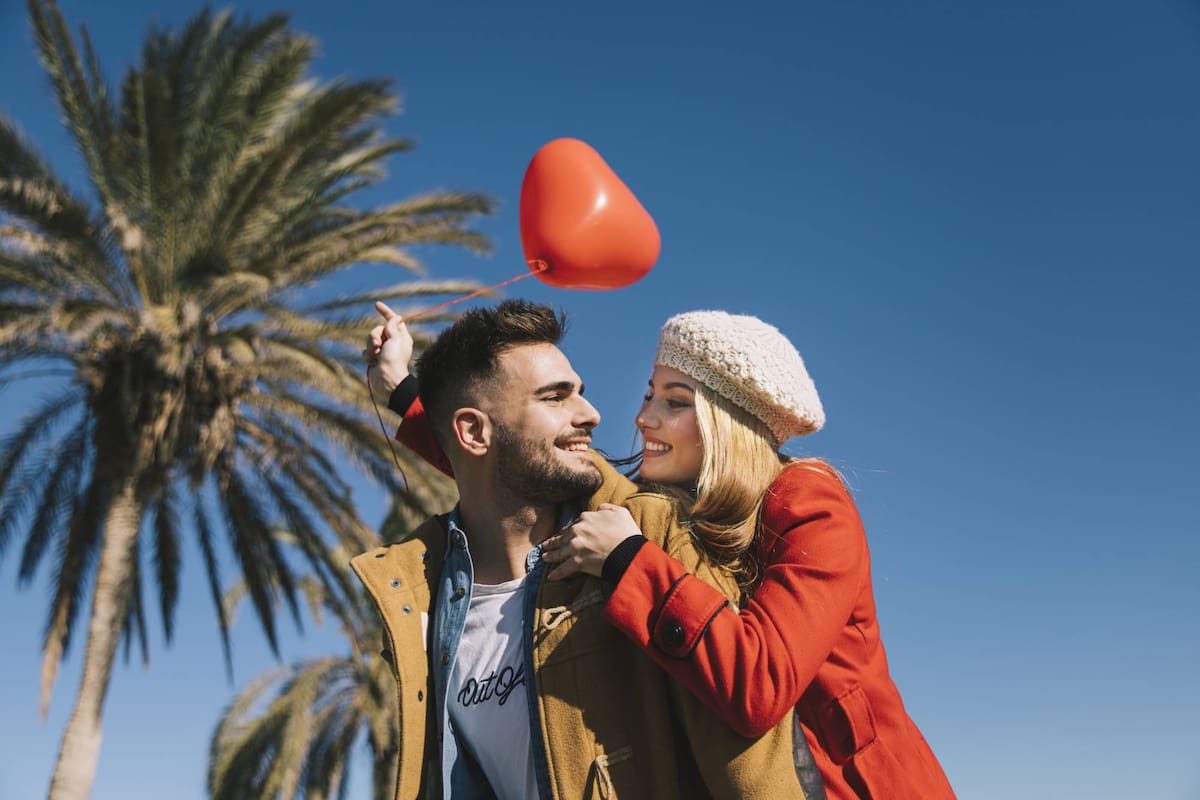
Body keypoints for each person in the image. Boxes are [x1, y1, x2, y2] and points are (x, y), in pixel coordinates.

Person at [374, 306, 956, 800]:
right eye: (650, 394)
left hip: (854, 784)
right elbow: (515, 465)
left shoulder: (808, 503)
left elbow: (761, 683)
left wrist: (628, 560)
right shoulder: (666, 503)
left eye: (675, 402)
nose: (641, 417)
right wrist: (405, 388)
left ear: (730, 422)